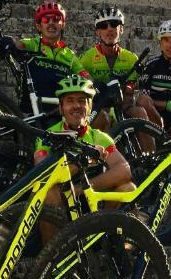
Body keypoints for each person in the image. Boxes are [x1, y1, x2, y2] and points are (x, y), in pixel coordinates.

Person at [33, 74, 136, 241]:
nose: (76, 106)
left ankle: (107, 244)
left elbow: (124, 170)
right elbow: (42, 172)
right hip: (62, 205)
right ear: (61, 108)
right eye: (70, 100)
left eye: (82, 101)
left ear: (89, 107)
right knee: (49, 193)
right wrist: (85, 159)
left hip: (92, 201)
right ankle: (51, 257)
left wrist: (81, 189)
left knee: (128, 188)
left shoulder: (100, 137)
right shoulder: (46, 137)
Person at [0, 0, 88, 113]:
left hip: (59, 111)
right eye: (46, 19)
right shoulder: (33, 44)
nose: (51, 23)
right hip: (31, 110)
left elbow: (85, 77)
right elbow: (19, 44)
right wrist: (10, 42)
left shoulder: (70, 56)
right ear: (39, 26)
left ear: (63, 25)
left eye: (56, 19)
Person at [77, 6, 147, 131]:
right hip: (98, 106)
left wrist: (127, 92)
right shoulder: (86, 58)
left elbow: (130, 90)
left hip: (123, 104)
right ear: (98, 32)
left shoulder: (131, 59)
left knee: (140, 113)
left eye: (114, 24)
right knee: (104, 118)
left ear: (121, 29)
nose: (109, 29)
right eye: (103, 26)